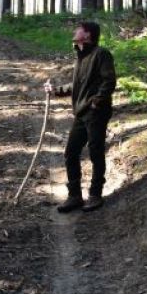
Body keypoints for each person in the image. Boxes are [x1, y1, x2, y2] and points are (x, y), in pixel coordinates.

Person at [46, 21, 117, 212]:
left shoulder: (101, 54)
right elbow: (77, 86)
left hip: (95, 112)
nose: (74, 31)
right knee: (71, 152)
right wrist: (56, 90)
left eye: (78, 29)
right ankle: (75, 196)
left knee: (95, 151)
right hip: (81, 113)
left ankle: (95, 195)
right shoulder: (80, 56)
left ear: (87, 35)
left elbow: (109, 81)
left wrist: (97, 101)